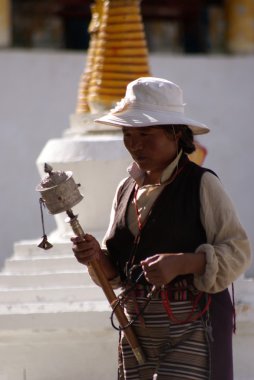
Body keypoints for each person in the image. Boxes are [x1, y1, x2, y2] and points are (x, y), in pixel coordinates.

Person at [71, 77, 251, 380]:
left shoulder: (201, 184)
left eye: (146, 134)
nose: (135, 144)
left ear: (176, 135)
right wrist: (94, 257)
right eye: (128, 134)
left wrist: (183, 262)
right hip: (135, 328)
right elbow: (116, 271)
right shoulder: (125, 189)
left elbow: (238, 250)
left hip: (190, 325)